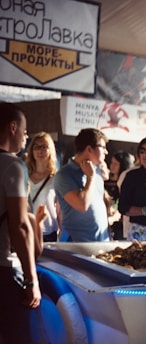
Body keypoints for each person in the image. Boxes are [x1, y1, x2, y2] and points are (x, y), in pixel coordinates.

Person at [0, 102, 41, 343]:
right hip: (3, 270)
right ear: (12, 128)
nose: (26, 137)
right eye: (25, 131)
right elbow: (20, 225)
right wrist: (30, 280)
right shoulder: (13, 165)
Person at [54, 128, 111, 242]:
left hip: (101, 241)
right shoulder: (64, 175)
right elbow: (82, 205)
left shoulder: (96, 170)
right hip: (76, 245)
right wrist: (90, 177)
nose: (106, 152)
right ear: (89, 149)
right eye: (103, 147)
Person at [25, 131, 60, 242]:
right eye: (37, 147)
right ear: (31, 151)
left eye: (44, 147)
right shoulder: (24, 175)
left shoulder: (56, 177)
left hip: (48, 231)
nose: (40, 150)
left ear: (50, 150)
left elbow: (60, 209)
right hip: (27, 228)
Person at [104, 151, 134, 240]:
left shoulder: (126, 181)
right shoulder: (107, 181)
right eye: (112, 162)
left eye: (116, 164)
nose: (112, 166)